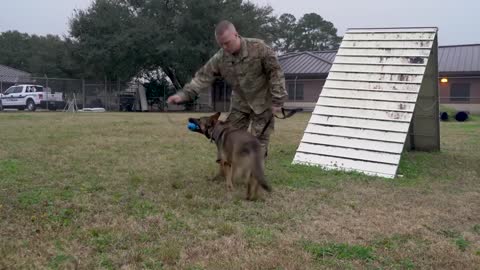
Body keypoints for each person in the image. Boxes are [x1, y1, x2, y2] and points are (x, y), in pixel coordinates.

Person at [167, 20, 288, 160]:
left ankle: (254, 176)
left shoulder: (259, 48)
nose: (225, 47)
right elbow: (203, 77)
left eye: (227, 42)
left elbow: (275, 72)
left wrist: (277, 100)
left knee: (258, 143)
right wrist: (184, 95)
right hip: (240, 104)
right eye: (221, 44)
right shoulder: (220, 58)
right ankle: (228, 171)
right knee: (227, 137)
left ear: (236, 35)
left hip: (263, 103)